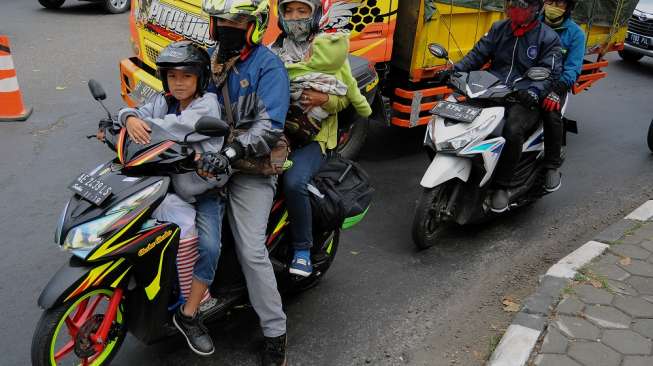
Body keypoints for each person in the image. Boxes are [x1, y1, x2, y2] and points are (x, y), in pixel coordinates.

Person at [114, 41, 228, 356]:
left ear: (200, 79)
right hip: (167, 183)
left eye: (186, 77)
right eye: (172, 76)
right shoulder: (164, 100)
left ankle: (191, 309)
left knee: (208, 245)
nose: (178, 83)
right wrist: (126, 118)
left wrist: (135, 123)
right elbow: (137, 111)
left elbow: (168, 129)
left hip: (203, 188)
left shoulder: (207, 107)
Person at [201, 0, 290, 364]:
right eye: (221, 19)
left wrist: (232, 153)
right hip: (205, 163)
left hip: (250, 169)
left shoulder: (269, 66)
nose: (227, 26)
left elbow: (270, 126)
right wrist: (130, 120)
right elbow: (174, 95)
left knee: (251, 251)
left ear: (254, 24)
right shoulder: (207, 58)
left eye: (237, 19)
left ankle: (275, 332)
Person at [270, 0, 371, 277]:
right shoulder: (273, 51)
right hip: (275, 133)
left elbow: (344, 97)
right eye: (288, 12)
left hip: (313, 139)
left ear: (315, 14)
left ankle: (303, 248)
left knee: (293, 182)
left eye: (302, 11)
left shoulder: (328, 48)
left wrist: (325, 98)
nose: (294, 18)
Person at [454, 0, 562, 212]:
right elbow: (477, 54)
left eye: (521, 4)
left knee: (512, 130)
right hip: (493, 88)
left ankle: (502, 186)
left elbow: (549, 71)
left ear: (535, 9)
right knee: (464, 115)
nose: (514, 9)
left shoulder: (548, 38)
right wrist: (456, 70)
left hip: (524, 96)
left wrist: (533, 90)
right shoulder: (499, 28)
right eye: (511, 3)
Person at [540, 0, 585, 192]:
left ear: (567, 7)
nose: (552, 6)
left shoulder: (575, 34)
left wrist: (555, 91)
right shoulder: (532, 22)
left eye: (558, 2)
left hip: (556, 85)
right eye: (549, 1)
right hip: (528, 80)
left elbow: (573, 69)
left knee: (551, 114)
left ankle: (551, 165)